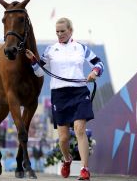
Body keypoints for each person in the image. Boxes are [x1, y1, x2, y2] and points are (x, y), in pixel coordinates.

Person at [25, 17, 104, 180]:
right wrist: (33, 60)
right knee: (63, 138)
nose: (59, 34)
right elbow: (39, 72)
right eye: (57, 32)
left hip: (79, 92)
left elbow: (98, 63)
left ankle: (84, 169)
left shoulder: (81, 48)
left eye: (63, 31)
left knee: (79, 129)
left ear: (71, 31)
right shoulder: (50, 50)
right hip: (59, 95)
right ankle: (67, 159)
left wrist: (94, 72)